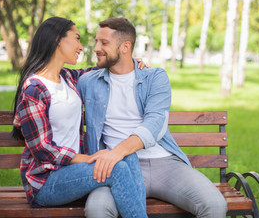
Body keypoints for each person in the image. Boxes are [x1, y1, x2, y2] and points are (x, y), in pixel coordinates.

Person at [77, 17, 227, 218]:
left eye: (104, 43)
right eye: (96, 41)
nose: (96, 48)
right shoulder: (88, 81)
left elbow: (155, 123)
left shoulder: (154, 77)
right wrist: (114, 157)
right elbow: (51, 76)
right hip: (116, 169)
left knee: (215, 205)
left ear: (125, 47)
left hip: (163, 163)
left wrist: (115, 152)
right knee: (97, 209)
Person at [12, 16, 148, 218]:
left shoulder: (67, 78)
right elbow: (43, 150)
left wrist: (126, 60)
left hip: (75, 172)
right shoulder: (34, 89)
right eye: (76, 39)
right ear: (58, 40)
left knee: (126, 154)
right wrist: (94, 158)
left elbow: (98, 69)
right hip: (47, 182)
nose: (81, 47)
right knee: (116, 167)